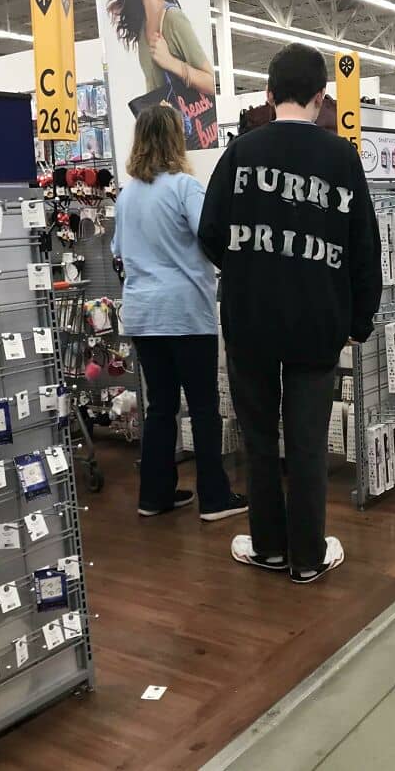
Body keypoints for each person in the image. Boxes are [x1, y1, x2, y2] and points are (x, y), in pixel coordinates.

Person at [199, 44, 382, 583]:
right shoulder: (342, 158)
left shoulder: (239, 153)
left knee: (258, 439)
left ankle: (269, 548)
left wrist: (248, 264)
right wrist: (361, 320)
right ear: (321, 97)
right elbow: (364, 248)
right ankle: (306, 557)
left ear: (268, 93)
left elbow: (209, 233)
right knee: (307, 443)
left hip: (250, 319)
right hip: (317, 322)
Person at [111, 105, 247, 522]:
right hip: (185, 311)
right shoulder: (185, 187)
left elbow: (118, 251)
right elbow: (213, 236)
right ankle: (214, 498)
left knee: (160, 406)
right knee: (203, 407)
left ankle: (155, 495)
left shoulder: (126, 195)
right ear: (175, 139)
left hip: (142, 313)